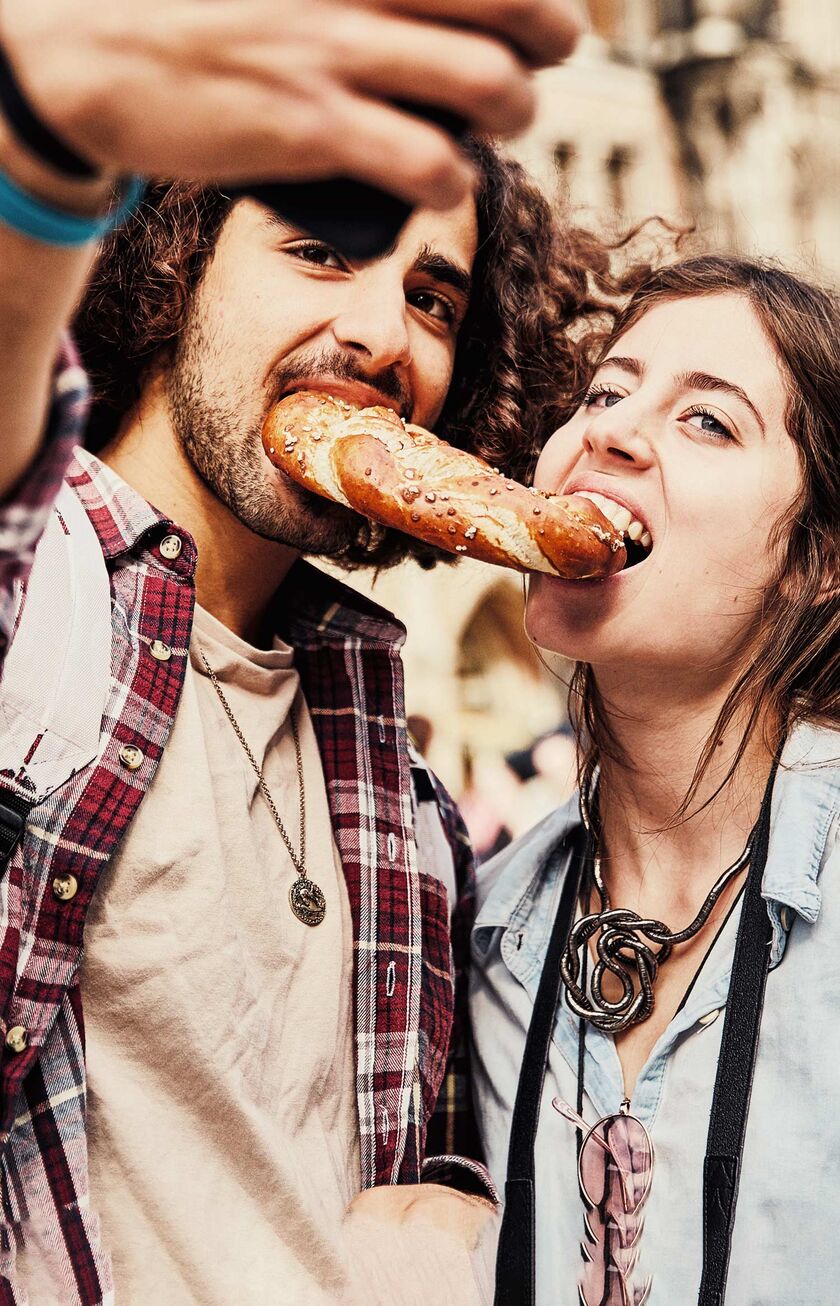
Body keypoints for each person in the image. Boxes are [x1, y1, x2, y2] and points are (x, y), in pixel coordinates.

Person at [0, 2, 593, 1302]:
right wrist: (43, 149)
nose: (383, 337)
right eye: (324, 248)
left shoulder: (410, 804)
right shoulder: (37, 603)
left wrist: (460, 1201)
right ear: (169, 264)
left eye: (433, 296)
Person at [469, 256, 840, 1305]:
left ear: (819, 561)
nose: (612, 432)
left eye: (709, 421)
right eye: (605, 390)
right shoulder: (484, 937)